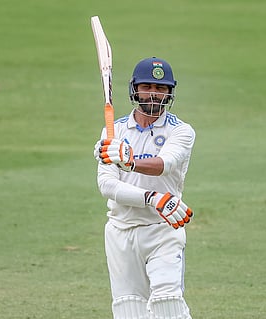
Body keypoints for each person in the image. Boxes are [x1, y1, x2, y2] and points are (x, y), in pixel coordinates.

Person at [93, 57, 196, 319]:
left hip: (162, 229)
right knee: (130, 309)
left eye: (161, 88)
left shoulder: (181, 131)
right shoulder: (112, 132)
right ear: (135, 89)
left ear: (170, 92)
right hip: (120, 231)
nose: (154, 94)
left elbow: (165, 164)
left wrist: (128, 162)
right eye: (148, 86)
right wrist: (151, 198)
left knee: (167, 302)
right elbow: (107, 185)